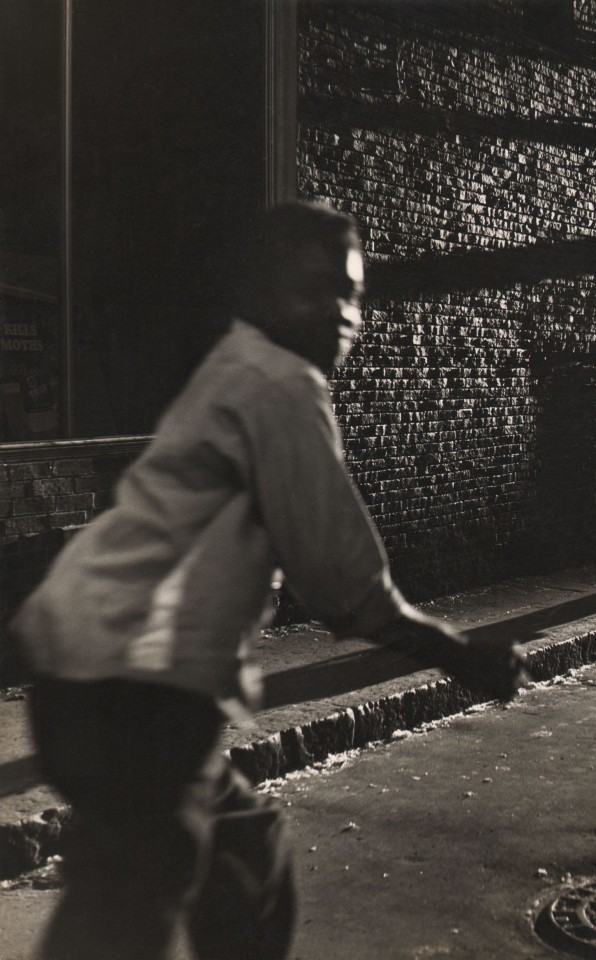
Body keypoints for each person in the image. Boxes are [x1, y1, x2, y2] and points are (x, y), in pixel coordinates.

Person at [10, 201, 527, 960]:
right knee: (129, 914)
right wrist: (462, 653)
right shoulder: (279, 383)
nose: (342, 313)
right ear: (256, 294)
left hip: (102, 678)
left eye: (353, 293)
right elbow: (344, 585)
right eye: (316, 288)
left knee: (247, 866)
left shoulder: (239, 362)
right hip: (132, 689)